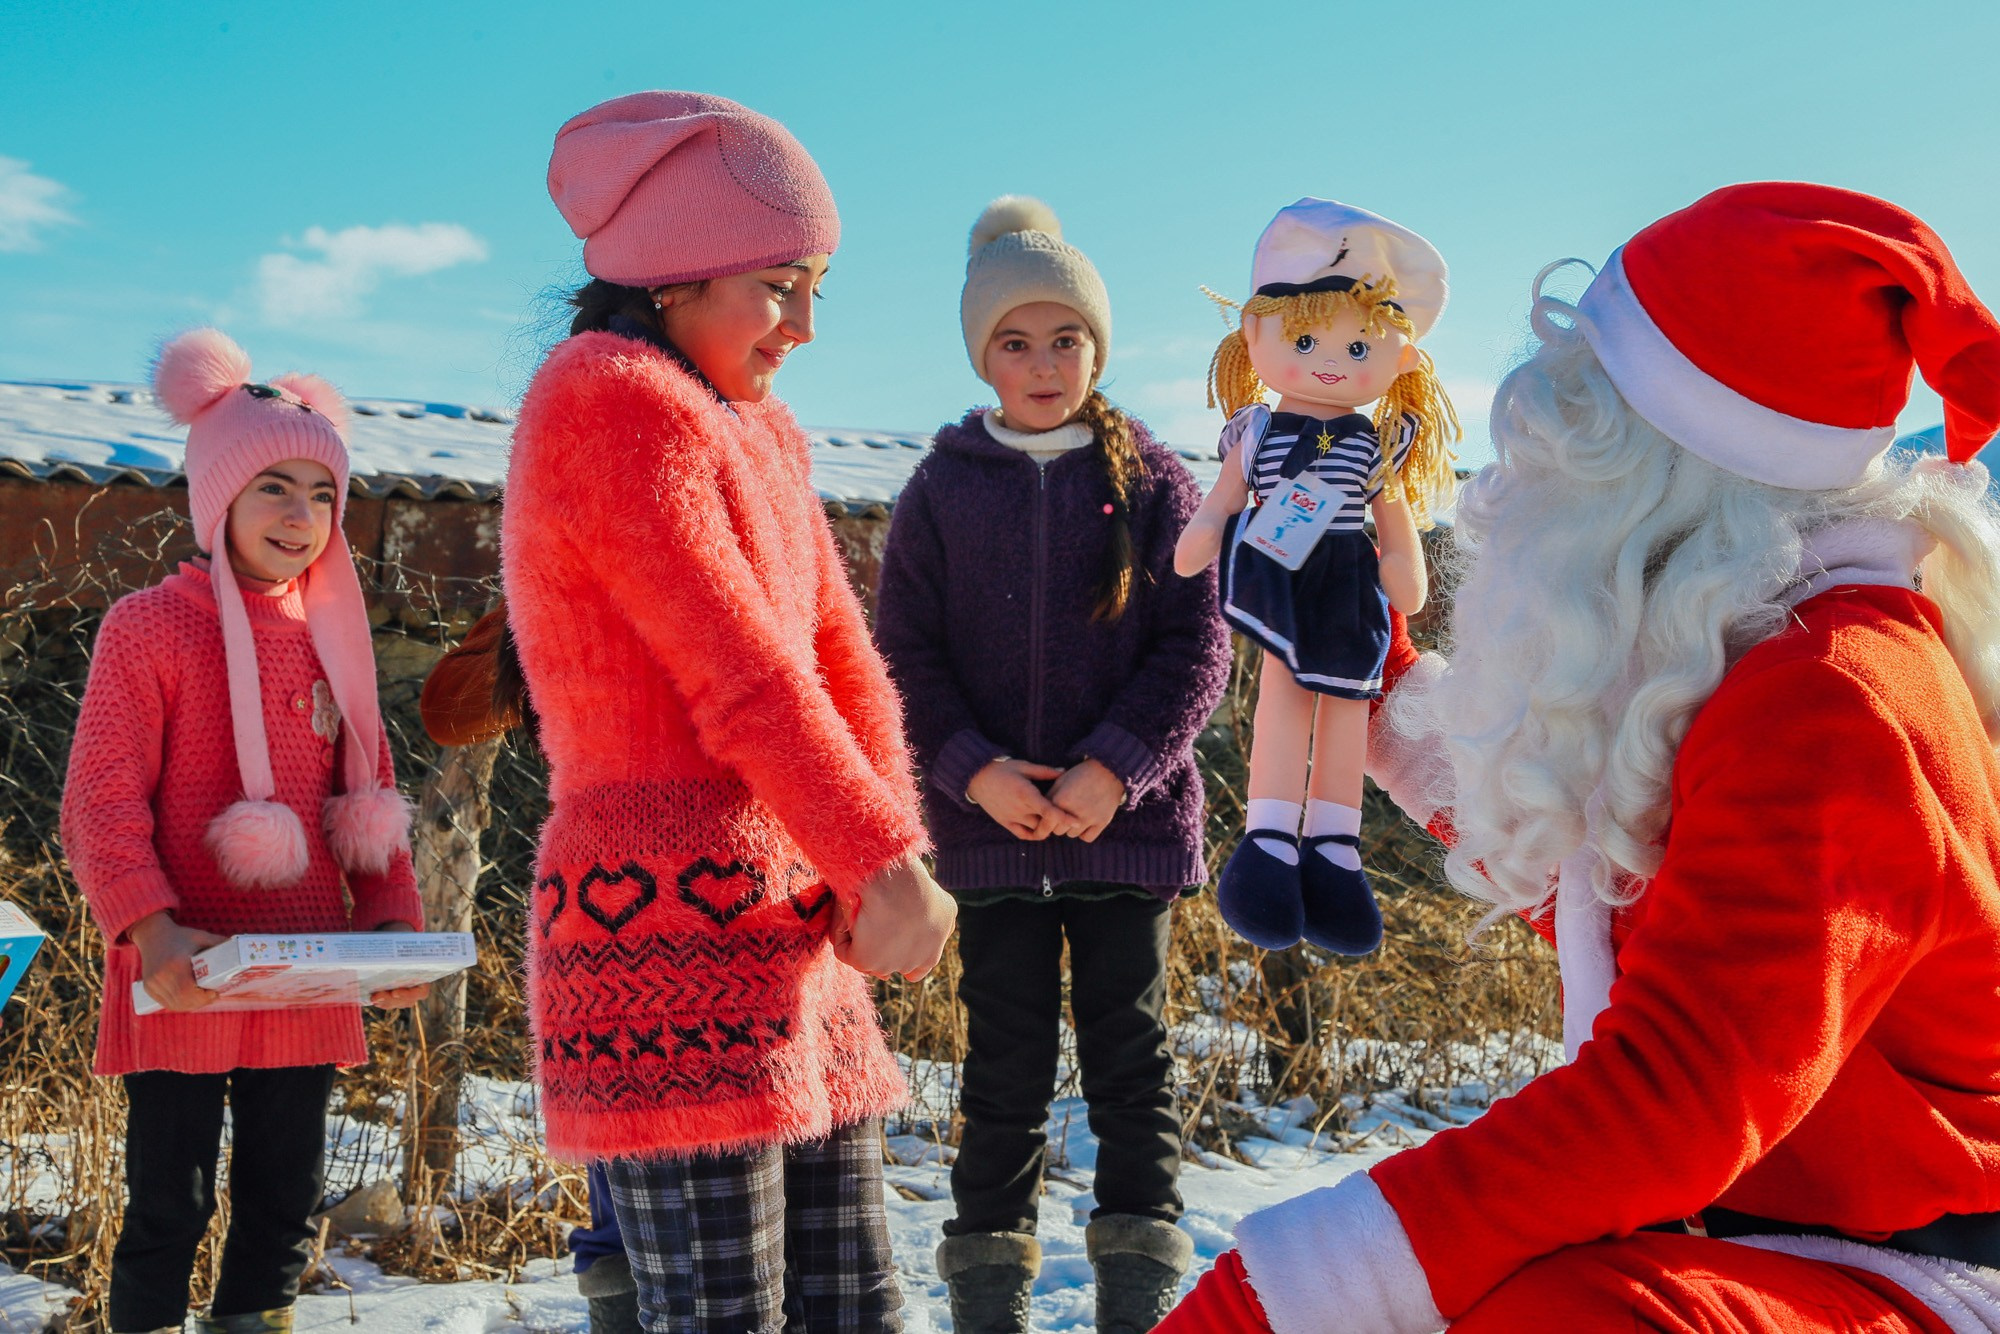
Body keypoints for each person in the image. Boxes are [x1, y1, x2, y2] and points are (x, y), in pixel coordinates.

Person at [1155, 183, 2000, 1332]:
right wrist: (1380, 679)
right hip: (1780, 1237)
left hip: (1896, 1270)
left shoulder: (1833, 701)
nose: (1516, 482)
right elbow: (1626, 890)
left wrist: (1286, 1291)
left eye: (1573, 430)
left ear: (1665, 459)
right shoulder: (1767, 638)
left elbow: (1673, 1092)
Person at [502, 91, 956, 1333]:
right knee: (720, 1315)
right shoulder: (607, 401)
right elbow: (741, 674)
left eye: (818, 286)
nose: (806, 324)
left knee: (853, 1305)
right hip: (661, 926)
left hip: (792, 918)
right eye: (779, 284)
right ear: (672, 273)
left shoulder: (760, 428)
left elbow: (839, 659)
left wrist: (888, 855)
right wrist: (878, 856)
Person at [874, 197, 1232, 1334]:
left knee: (1134, 1065)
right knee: (1004, 1076)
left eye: (1065, 339)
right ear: (982, 356)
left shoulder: (1153, 479)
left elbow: (1197, 645)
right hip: (991, 837)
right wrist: (974, 771)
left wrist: (1110, 771)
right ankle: (989, 1298)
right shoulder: (940, 487)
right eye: (1016, 343)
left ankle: (1137, 1299)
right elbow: (903, 658)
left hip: (1120, 832)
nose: (1042, 362)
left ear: (1097, 348)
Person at [61, 329, 429, 1334]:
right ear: (217, 496)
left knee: (284, 1200)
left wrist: (393, 922)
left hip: (304, 969)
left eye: (322, 493)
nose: (301, 516)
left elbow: (372, 801)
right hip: (183, 966)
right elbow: (100, 801)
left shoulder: (334, 641)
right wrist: (151, 929)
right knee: (168, 1204)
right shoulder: (148, 626)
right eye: (274, 486)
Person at [1175, 198, 1458, 954]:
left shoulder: (1376, 448)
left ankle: (1335, 849)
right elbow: (1223, 502)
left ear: (1399, 357)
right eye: (1304, 338)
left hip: (1345, 582)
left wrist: (1403, 567)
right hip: (1279, 574)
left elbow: (1395, 526)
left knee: (1343, 711)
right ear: (1253, 336)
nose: (1332, 360)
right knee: (1284, 698)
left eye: (1361, 347)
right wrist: (1202, 534)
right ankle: (1268, 838)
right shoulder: (1258, 433)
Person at [416, 607, 637, 1334]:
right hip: (604, 894)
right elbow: (452, 712)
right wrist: (530, 597)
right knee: (619, 1175)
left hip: (741, 891)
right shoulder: (563, 566)